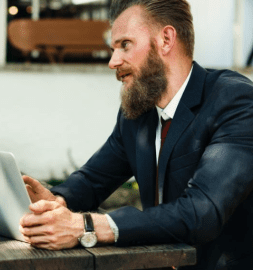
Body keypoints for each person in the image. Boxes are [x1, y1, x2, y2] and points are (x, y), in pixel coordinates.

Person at [19, 0, 253, 269]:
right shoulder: (139, 110)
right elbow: (94, 179)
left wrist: (85, 226)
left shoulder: (236, 102)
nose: (112, 61)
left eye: (125, 45)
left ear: (166, 39)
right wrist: (55, 202)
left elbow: (202, 213)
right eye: (112, 48)